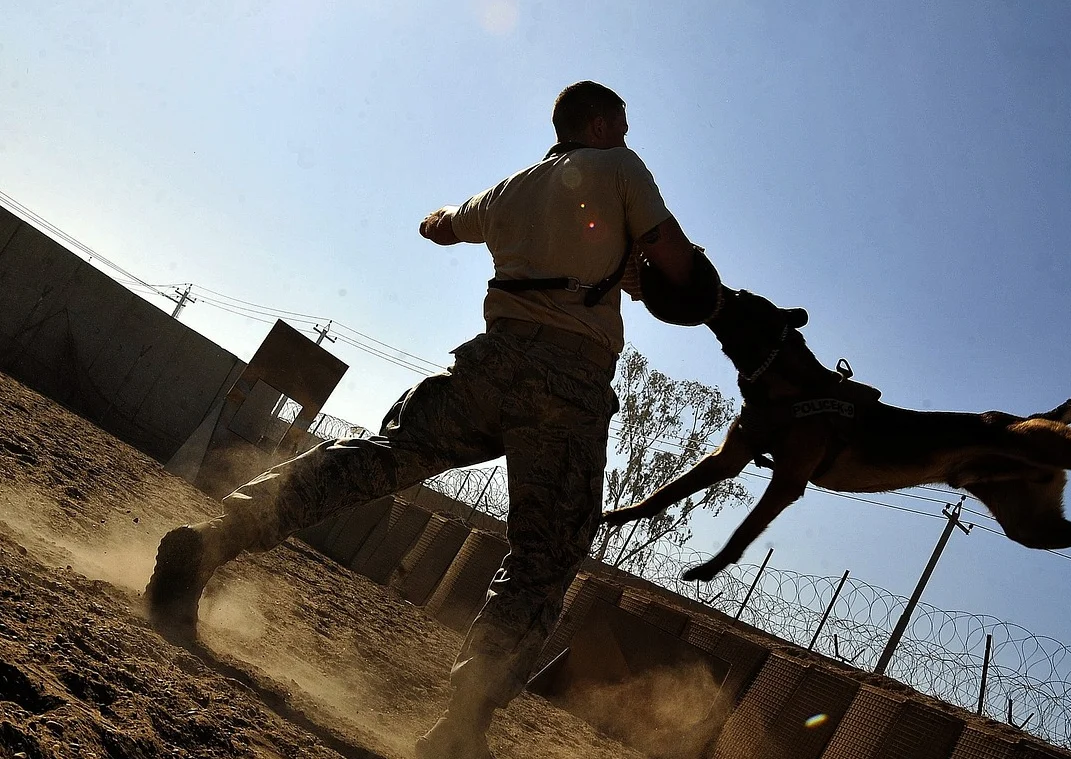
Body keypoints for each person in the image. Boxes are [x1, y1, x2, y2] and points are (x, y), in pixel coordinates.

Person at [145, 81, 707, 759]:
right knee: (544, 553)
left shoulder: (509, 190)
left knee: (378, 457)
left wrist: (450, 216)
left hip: (488, 365)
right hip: (566, 386)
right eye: (619, 122)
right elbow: (675, 263)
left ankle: (210, 540)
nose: (626, 133)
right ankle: (461, 726)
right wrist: (699, 287)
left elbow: (440, 226)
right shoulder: (620, 167)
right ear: (596, 123)